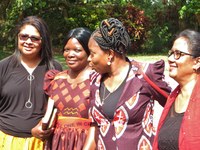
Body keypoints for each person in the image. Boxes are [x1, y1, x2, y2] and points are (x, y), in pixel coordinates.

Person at [83, 18, 171, 150]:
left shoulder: (144, 75)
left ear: (110, 55)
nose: (89, 58)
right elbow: (94, 128)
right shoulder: (95, 80)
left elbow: (175, 105)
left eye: (92, 53)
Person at [0, 16, 62, 150]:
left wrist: (45, 126)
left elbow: (58, 106)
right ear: (17, 38)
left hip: (41, 143)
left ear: (43, 41)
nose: (28, 41)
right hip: (6, 141)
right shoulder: (3, 67)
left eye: (34, 38)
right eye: (24, 36)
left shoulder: (54, 68)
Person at [43, 27, 93, 150]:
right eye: (66, 50)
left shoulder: (98, 81)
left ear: (89, 52)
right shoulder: (56, 79)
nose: (70, 54)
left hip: (87, 143)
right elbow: (48, 114)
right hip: (57, 142)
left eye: (77, 50)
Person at [153, 29, 200, 150]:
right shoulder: (173, 99)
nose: (171, 59)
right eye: (171, 53)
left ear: (197, 62)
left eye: (178, 54)